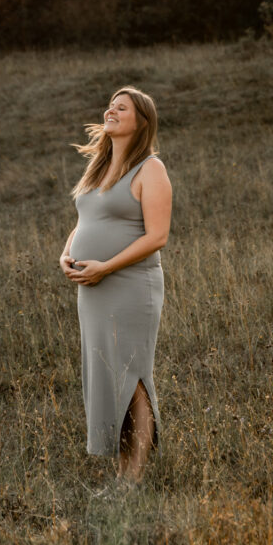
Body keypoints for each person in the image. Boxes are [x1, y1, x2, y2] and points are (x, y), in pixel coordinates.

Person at [59, 86, 172, 485]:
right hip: (93, 286)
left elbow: (157, 236)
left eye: (121, 107)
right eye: (110, 104)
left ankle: (134, 480)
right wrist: (66, 253)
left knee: (132, 374)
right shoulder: (100, 166)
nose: (110, 110)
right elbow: (85, 220)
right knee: (107, 375)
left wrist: (106, 266)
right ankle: (123, 473)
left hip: (129, 285)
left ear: (141, 121)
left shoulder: (150, 168)